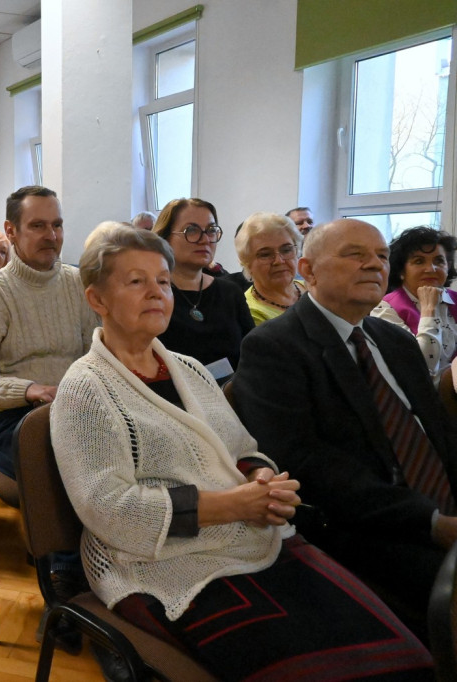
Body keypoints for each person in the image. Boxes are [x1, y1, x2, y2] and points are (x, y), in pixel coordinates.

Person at [51, 222, 432, 680]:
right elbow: (108, 510)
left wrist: (261, 482)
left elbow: (242, 448)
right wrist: (231, 504)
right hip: (156, 564)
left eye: (164, 282)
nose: (157, 293)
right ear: (98, 300)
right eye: (137, 282)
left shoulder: (187, 369)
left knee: (397, 654)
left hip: (248, 533)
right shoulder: (84, 389)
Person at [233, 219, 457, 640]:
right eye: (355, 254)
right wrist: (431, 521)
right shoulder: (274, 347)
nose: (374, 265)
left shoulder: (395, 341)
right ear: (308, 270)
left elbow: (440, 436)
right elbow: (307, 465)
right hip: (367, 530)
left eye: (381, 257)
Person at [0, 185, 97, 481]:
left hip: (76, 409)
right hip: (15, 418)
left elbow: (95, 358)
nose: (52, 236)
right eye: (37, 226)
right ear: (11, 230)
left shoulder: (78, 284)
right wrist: (30, 390)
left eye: (56, 225)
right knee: (69, 468)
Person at [153, 198, 253, 377]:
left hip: (233, 397)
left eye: (211, 230)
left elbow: (252, 354)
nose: (205, 239)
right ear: (165, 238)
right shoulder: (152, 294)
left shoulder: (230, 292)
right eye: (191, 230)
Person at [371, 226, 457, 386]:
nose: (431, 269)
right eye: (419, 261)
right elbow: (421, 367)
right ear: (401, 270)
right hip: (415, 401)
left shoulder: (455, 300)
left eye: (439, 261)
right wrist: (428, 311)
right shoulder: (385, 309)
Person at [234, 212, 306, 324]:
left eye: (286, 250)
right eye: (265, 254)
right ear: (247, 263)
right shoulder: (249, 312)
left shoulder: (313, 289)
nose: (279, 261)